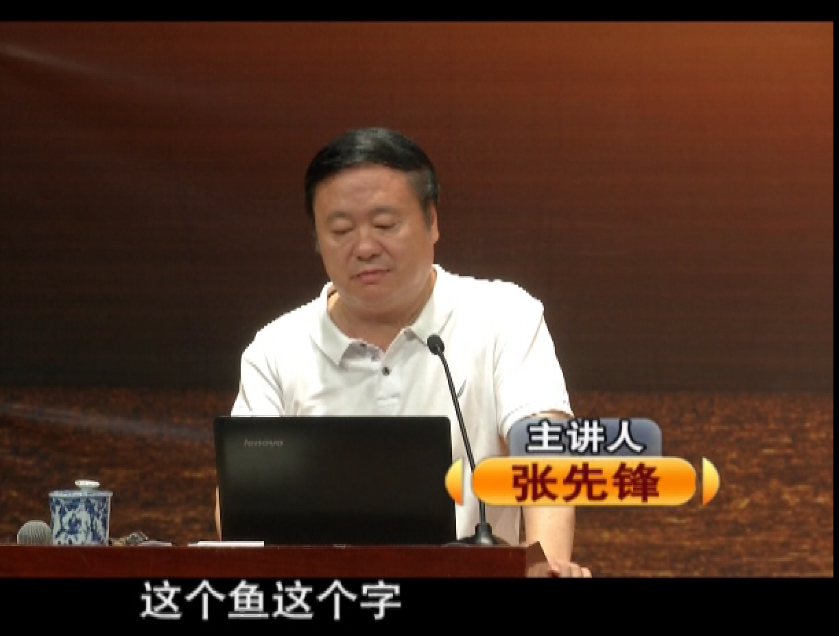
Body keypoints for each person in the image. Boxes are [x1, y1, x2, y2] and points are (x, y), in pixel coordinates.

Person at [216, 127, 591, 577]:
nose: (364, 247)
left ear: (432, 221)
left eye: (385, 225)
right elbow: (242, 504)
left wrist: (546, 565)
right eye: (340, 230)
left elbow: (544, 457)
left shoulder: (503, 315)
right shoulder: (276, 349)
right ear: (316, 238)